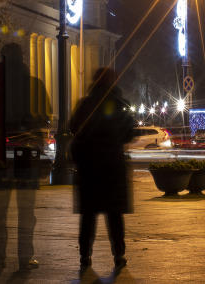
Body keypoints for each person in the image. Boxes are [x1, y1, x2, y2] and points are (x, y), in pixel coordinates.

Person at [70, 67, 136, 274]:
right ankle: (119, 255)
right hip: (112, 168)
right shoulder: (121, 104)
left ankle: (85, 256)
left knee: (88, 215)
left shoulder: (85, 104)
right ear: (112, 82)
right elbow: (130, 133)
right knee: (114, 214)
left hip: (89, 168)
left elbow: (73, 127)